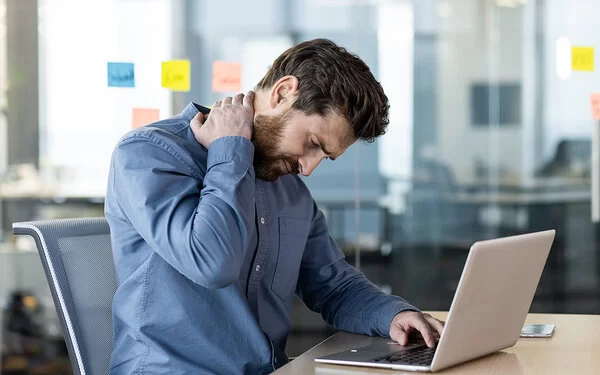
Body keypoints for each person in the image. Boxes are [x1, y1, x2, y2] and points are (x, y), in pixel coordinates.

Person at [105, 38, 444, 375]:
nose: (308, 168)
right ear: (283, 92)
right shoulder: (149, 153)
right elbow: (211, 262)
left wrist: (395, 316)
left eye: (325, 157)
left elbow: (333, 285)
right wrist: (230, 148)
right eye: (313, 144)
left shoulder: (288, 189)